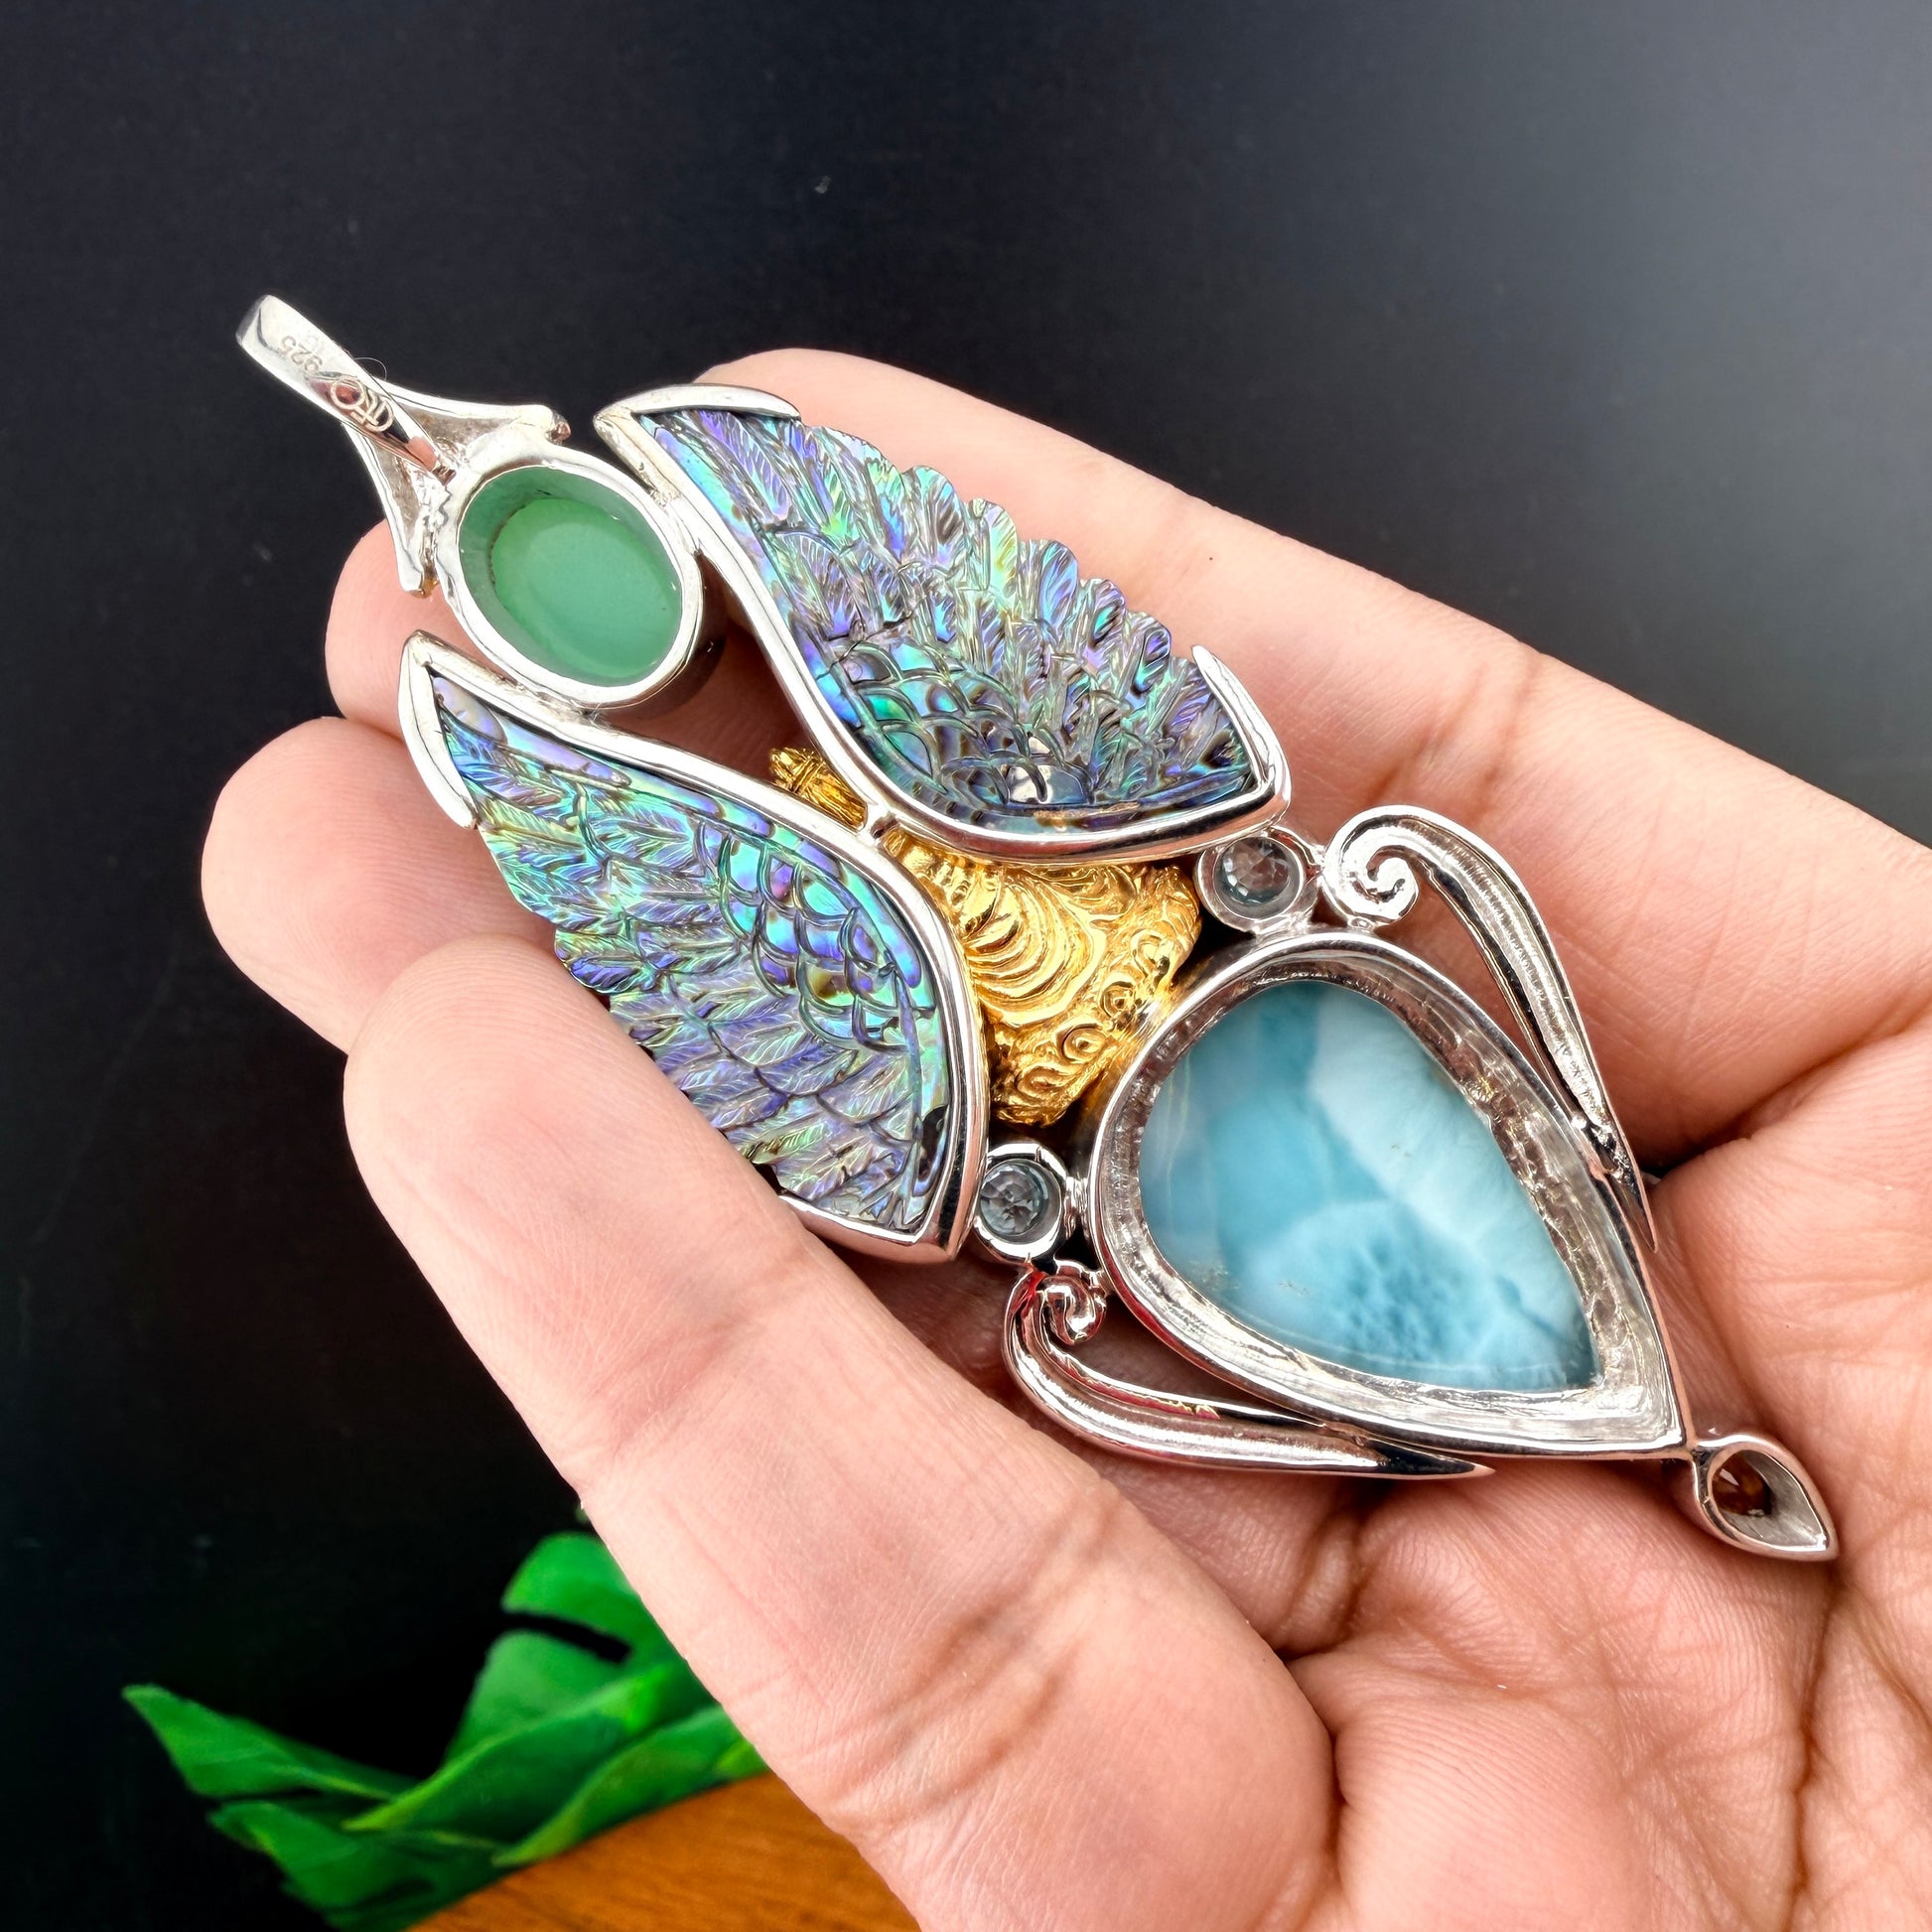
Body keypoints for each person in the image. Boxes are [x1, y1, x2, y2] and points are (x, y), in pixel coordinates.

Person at [204, 350, 1932, 1930]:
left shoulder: (1076, 777)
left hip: (1166, 998)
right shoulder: (712, 875)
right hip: (1082, 1090)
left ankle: (1645, 1412)